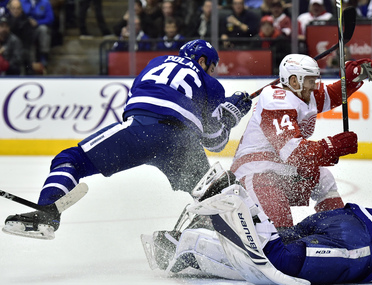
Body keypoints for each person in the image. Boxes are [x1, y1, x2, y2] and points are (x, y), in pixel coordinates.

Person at [3, 39, 252, 241]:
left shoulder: (155, 62)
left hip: (141, 130)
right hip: (181, 143)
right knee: (210, 195)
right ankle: (235, 240)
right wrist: (230, 116)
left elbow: (138, 103)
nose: (212, 72)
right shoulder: (211, 84)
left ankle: (46, 211)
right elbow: (215, 142)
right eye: (211, 66)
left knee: (70, 159)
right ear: (201, 60)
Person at [142, 165, 372, 285]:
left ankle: (185, 246)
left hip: (340, 222)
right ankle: (233, 192)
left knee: (259, 260)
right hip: (359, 246)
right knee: (280, 261)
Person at [229, 53, 372, 230]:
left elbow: (331, 94)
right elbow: (296, 154)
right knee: (281, 233)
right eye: (311, 81)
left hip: (279, 168)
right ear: (294, 81)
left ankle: (338, 229)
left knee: (323, 177)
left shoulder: (303, 93)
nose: (315, 86)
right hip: (255, 172)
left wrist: (351, 80)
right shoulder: (276, 101)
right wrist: (332, 145)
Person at [20, 0, 53, 70]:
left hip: (38, 27)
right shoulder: (22, 2)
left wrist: (38, 22)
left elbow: (50, 18)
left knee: (44, 29)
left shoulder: (45, 2)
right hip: (25, 28)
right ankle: (30, 62)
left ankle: (43, 56)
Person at [6, 0, 34, 74]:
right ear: (9, 9)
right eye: (13, 8)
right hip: (8, 49)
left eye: (18, 8)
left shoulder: (26, 23)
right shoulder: (5, 22)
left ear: (21, 9)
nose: (16, 11)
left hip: (22, 50)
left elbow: (28, 41)